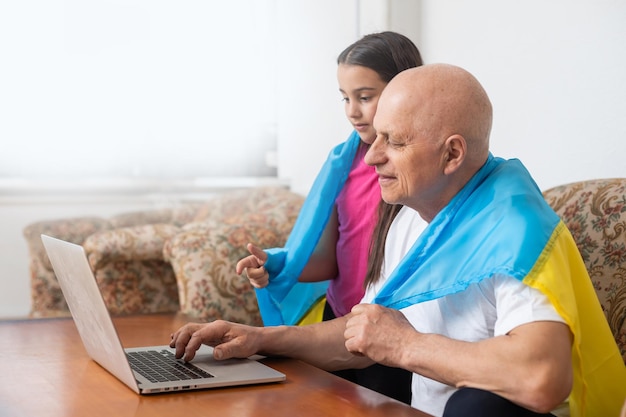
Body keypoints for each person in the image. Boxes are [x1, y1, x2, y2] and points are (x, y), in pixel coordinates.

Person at [171, 64, 626, 417]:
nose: (371, 156)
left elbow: (542, 377)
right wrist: (261, 339)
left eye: (395, 142)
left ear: (452, 153)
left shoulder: (515, 230)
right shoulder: (408, 214)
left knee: (481, 405)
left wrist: (405, 346)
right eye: (376, 136)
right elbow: (363, 335)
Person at [236, 31, 423, 405]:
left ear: (405, 91)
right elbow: (331, 258)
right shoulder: (343, 163)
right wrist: (276, 265)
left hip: (390, 330)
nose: (352, 110)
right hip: (336, 317)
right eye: (345, 98)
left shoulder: (422, 169)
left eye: (365, 97)